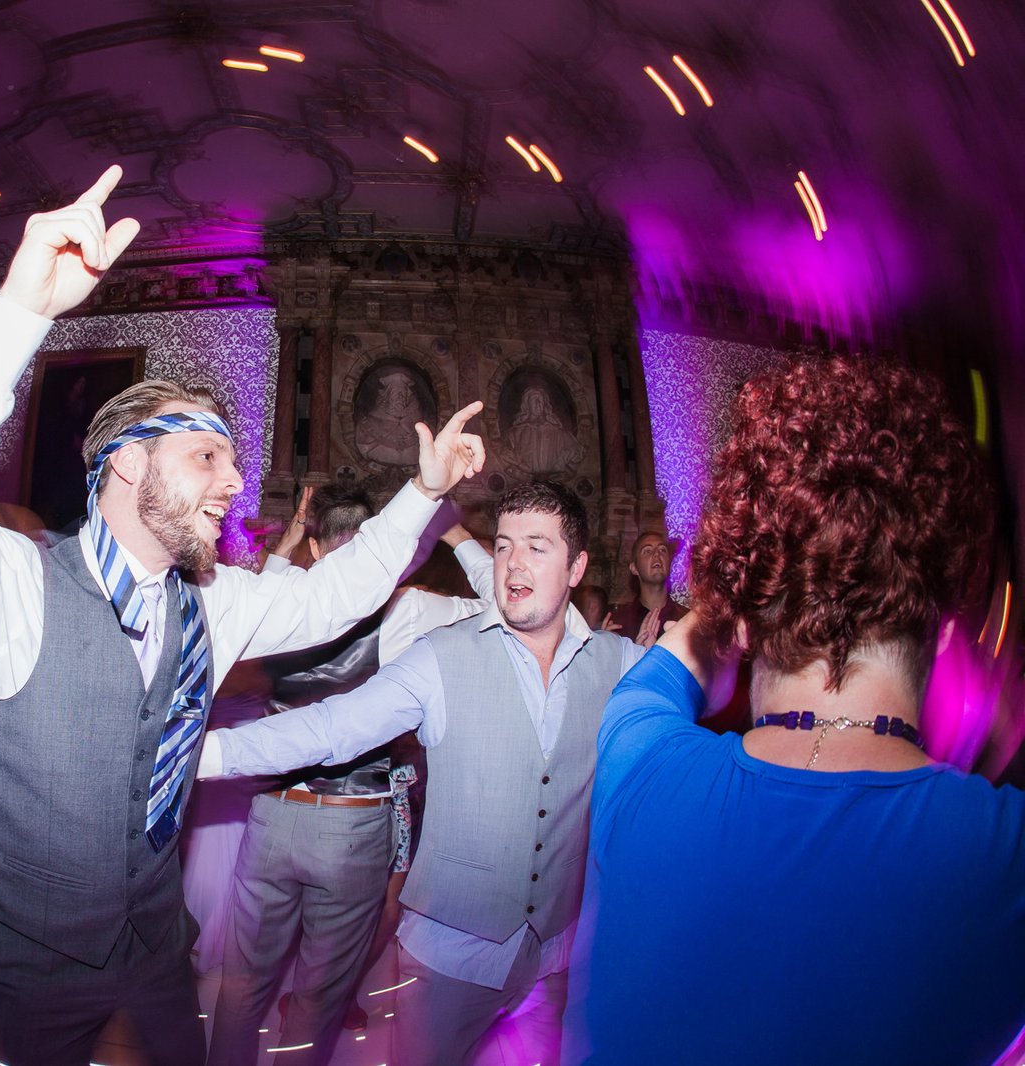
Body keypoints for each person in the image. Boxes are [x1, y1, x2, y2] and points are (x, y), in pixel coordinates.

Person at [0, 164, 486, 1066]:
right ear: (125, 465)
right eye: (207, 457)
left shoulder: (218, 604)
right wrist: (20, 315)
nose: (233, 484)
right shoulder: (20, 586)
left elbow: (336, 594)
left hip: (157, 949)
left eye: (231, 462)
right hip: (36, 969)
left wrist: (424, 494)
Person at [562, 357, 1025, 1065]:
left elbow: (673, 664)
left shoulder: (635, 751)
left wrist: (737, 596)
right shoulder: (1003, 856)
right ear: (946, 632)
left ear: (742, 627)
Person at [202, 480, 645, 1065]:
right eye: (505, 545)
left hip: (557, 959)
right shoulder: (441, 653)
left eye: (536, 547)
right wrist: (201, 755)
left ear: (577, 566)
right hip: (448, 958)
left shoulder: (623, 664)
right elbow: (332, 728)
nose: (513, 562)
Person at [206, 482, 400, 1066]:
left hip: (273, 813)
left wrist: (290, 543)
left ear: (318, 550)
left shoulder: (281, 594)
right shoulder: (405, 607)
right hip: (352, 823)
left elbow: (259, 590)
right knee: (318, 998)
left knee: (242, 985)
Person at [606, 530, 685, 646]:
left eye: (662, 550)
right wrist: (605, 647)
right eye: (647, 551)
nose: (657, 554)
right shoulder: (619, 622)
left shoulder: (686, 620)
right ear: (634, 568)